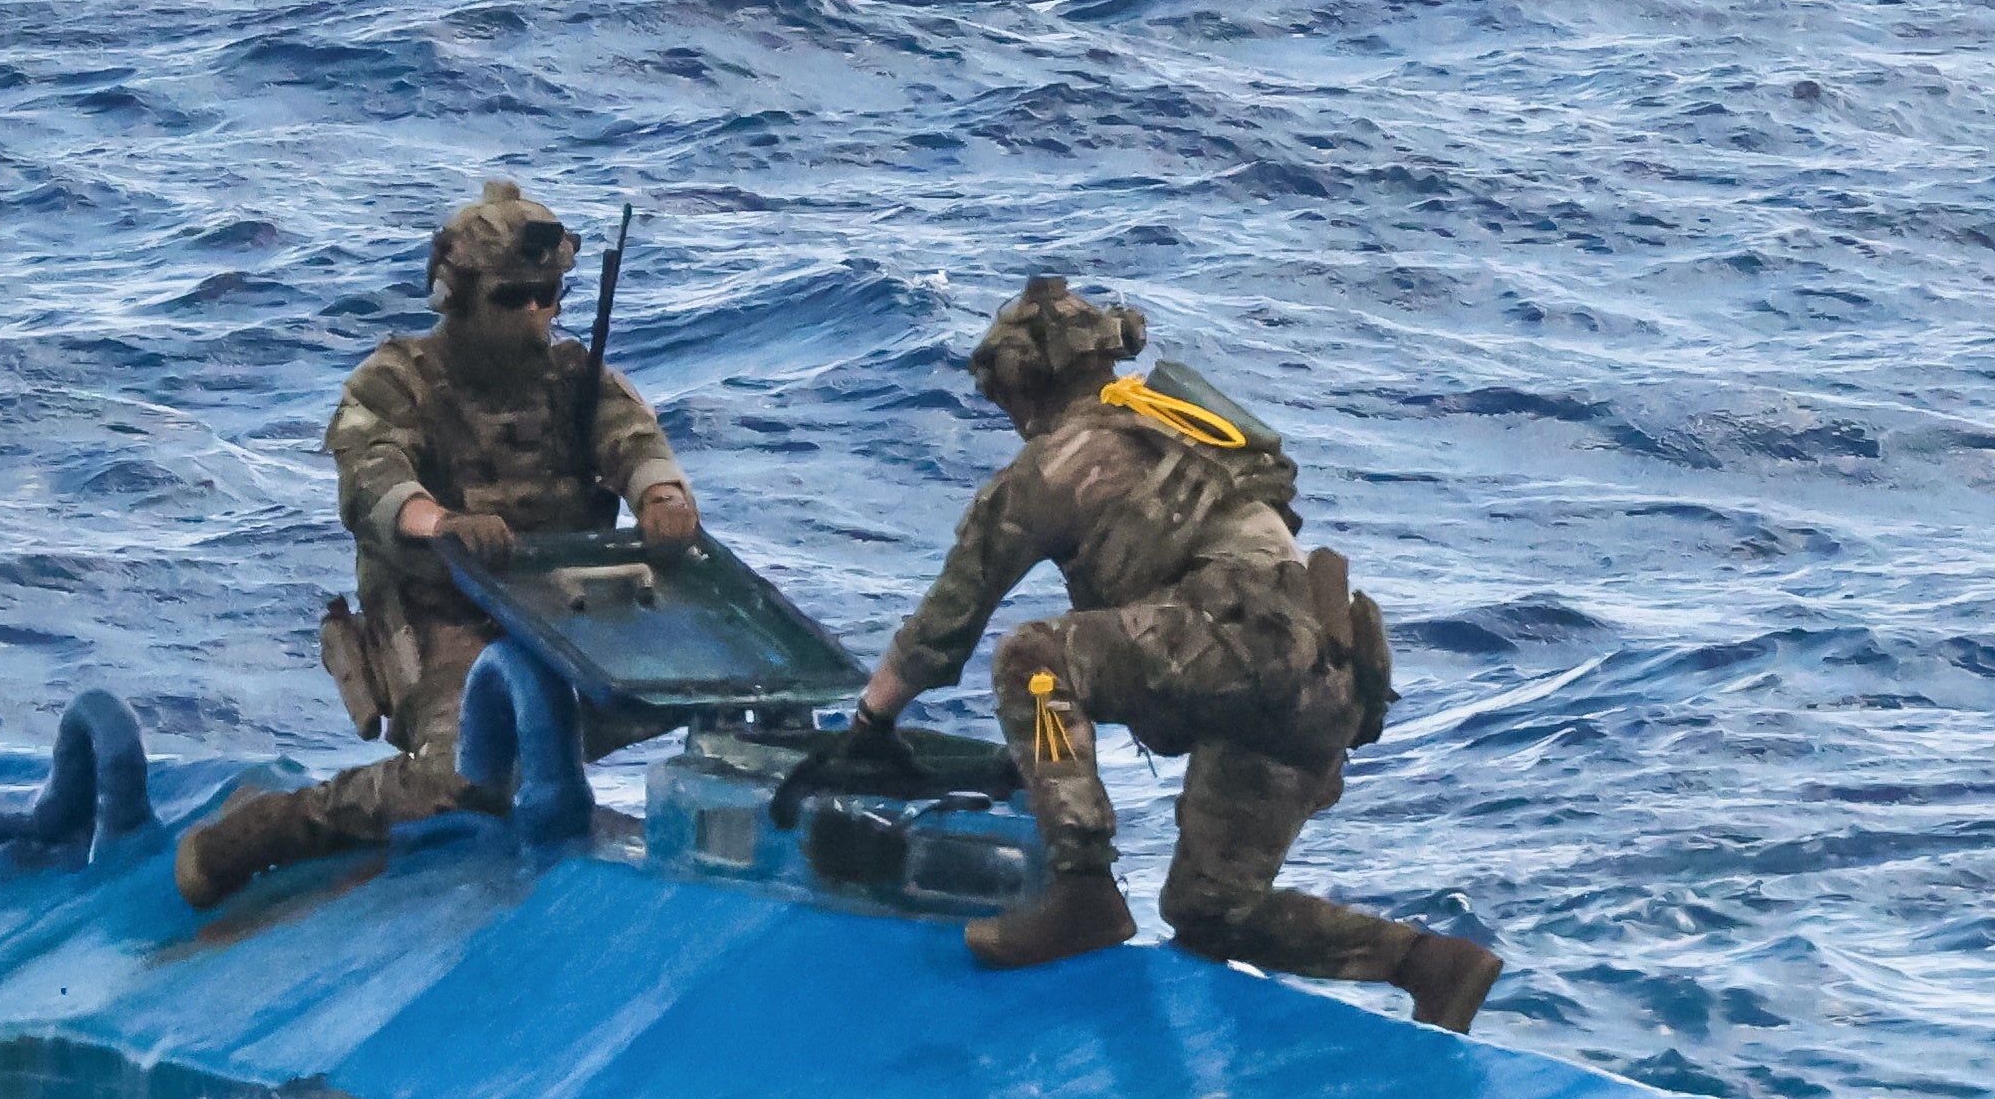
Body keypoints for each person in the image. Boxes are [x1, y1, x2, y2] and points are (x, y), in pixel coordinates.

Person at [847, 273, 1497, 1032]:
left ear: (1026, 382)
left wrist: (869, 724)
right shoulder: (1183, 428)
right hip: (1320, 682)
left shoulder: (1062, 460)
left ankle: (1082, 888)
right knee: (1212, 909)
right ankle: (1427, 964)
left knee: (1034, 658)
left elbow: (945, 623)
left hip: (1239, 646)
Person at [176, 178, 699, 909]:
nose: (535, 317)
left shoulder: (574, 379)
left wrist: (660, 496)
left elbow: (632, 440)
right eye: (512, 298)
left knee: (738, 699)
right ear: (456, 295)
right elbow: (373, 481)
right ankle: (270, 829)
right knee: (461, 777)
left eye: (548, 297)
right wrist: (441, 522)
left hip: (567, 611)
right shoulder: (396, 382)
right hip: (441, 615)